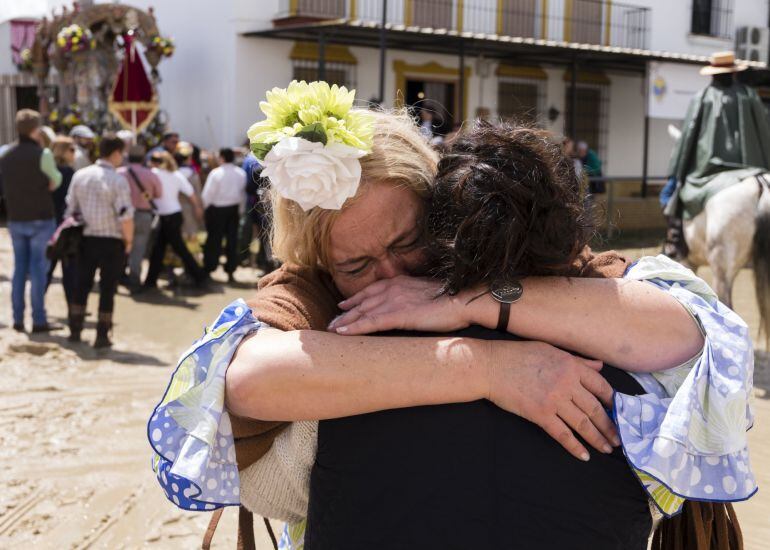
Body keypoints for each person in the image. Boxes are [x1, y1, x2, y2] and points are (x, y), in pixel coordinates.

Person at [150, 95, 751, 547]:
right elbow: (249, 379)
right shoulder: (308, 288)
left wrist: (474, 300)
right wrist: (487, 367)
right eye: (356, 265)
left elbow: (678, 331)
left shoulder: (509, 258)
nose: (389, 277)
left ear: (440, 208)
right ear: (319, 263)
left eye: (409, 241)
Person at [663, 50, 770, 260]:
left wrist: (677, 172)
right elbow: (764, 132)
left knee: (668, 194)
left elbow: (688, 137)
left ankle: (675, 242)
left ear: (712, 74)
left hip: (709, 169)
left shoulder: (702, 97)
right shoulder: (750, 96)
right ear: (733, 73)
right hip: (751, 167)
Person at [65, 134, 134, 348]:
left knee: (82, 284)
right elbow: (125, 216)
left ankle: (75, 331)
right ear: (115, 153)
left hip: (85, 238)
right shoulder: (118, 180)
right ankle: (102, 335)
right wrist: (129, 241)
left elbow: (70, 209)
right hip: (112, 241)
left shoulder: (80, 175)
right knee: (107, 288)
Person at [0, 109, 61, 332]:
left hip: (16, 218)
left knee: (19, 270)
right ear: (36, 129)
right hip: (41, 217)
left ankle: (17, 319)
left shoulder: (4, 153)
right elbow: (55, 181)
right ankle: (38, 319)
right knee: (37, 270)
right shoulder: (42, 154)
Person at [143, 151, 207, 290]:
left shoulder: (155, 173)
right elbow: (191, 195)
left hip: (168, 217)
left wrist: (197, 208)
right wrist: (197, 208)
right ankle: (150, 281)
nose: (152, 161)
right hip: (172, 215)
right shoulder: (176, 175)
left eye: (155, 159)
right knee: (160, 249)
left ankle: (199, 277)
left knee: (172, 249)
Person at [118, 144, 162, 290]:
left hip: (123, 215)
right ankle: (134, 278)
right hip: (144, 214)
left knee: (121, 245)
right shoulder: (151, 175)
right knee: (139, 247)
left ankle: (118, 274)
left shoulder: (119, 173)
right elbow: (158, 194)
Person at [202, 147, 247, 282]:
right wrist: (241, 210)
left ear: (221, 157)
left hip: (217, 210)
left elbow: (208, 194)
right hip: (233, 210)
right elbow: (242, 195)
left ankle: (209, 268)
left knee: (214, 240)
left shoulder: (216, 173)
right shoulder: (240, 173)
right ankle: (230, 270)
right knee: (232, 241)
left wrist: (203, 208)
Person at [46, 136, 78, 303]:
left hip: (50, 224)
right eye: (72, 149)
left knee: (47, 269)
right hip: (64, 227)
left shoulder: (48, 172)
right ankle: (73, 308)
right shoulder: (68, 173)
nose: (75, 153)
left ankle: (36, 310)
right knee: (69, 270)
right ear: (62, 151)